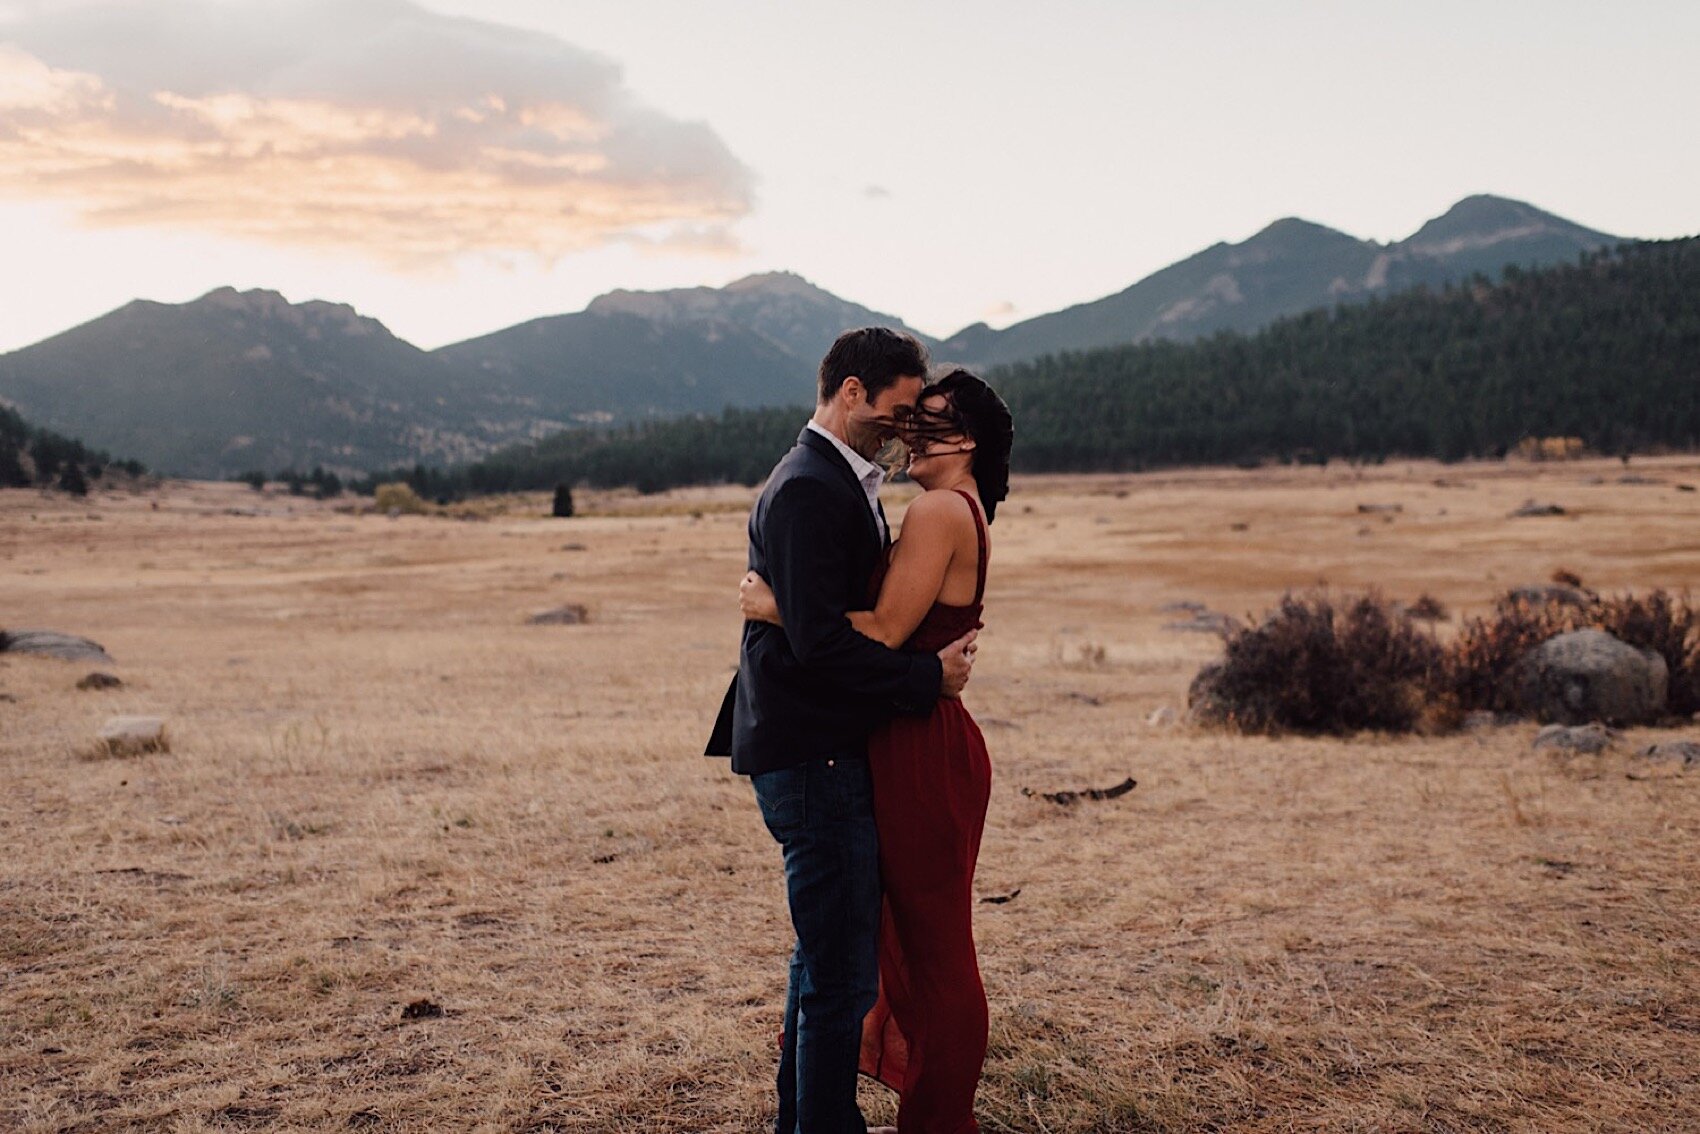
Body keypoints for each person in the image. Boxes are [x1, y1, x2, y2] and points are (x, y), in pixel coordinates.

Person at [704, 328, 980, 1134]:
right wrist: (927, 679)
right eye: (896, 411)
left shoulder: (844, 481)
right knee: (841, 976)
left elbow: (816, 619)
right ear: (850, 392)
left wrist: (784, 606)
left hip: (821, 748)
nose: (902, 430)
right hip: (810, 754)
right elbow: (821, 645)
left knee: (822, 960)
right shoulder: (807, 488)